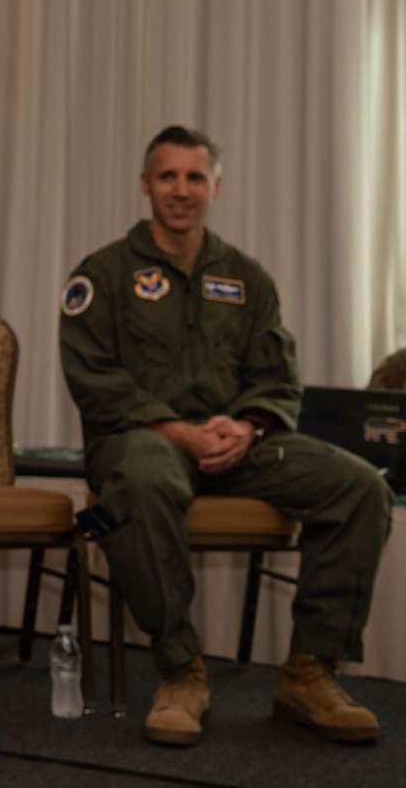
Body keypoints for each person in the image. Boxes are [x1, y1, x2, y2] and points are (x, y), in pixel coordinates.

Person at [59, 125, 391, 747]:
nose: (180, 191)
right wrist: (177, 430)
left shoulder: (248, 278)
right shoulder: (102, 275)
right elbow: (93, 377)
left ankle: (309, 673)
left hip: (237, 443)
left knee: (360, 488)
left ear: (215, 187)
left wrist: (246, 425)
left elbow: (278, 377)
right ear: (145, 185)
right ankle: (181, 671)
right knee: (145, 476)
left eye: (193, 178)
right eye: (167, 177)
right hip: (142, 439)